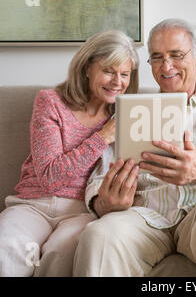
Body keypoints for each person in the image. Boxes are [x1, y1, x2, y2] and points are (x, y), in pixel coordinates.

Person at [73, 19, 196, 277]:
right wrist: (106, 203)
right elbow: (97, 183)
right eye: (157, 58)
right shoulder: (128, 110)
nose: (166, 66)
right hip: (144, 218)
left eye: (176, 55)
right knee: (99, 234)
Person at [0, 30, 139, 277]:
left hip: (83, 210)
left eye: (125, 74)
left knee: (62, 252)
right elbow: (50, 177)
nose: (117, 81)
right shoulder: (51, 101)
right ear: (87, 68)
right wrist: (103, 136)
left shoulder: (128, 116)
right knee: (8, 247)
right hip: (33, 205)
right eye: (108, 70)